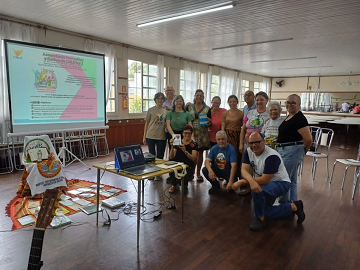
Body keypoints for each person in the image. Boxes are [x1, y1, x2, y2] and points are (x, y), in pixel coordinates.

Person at [232, 132, 305, 231]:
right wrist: (250, 181)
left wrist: (242, 182)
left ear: (264, 141)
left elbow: (265, 180)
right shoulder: (248, 151)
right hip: (266, 183)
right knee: (266, 211)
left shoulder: (272, 156)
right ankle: (294, 206)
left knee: (257, 189)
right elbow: (244, 170)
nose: (254, 145)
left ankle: (260, 219)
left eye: (257, 142)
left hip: (281, 183)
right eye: (251, 143)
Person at [277, 94, 312, 203]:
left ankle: (285, 205)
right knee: (292, 180)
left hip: (292, 151)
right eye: (288, 102)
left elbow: (308, 139)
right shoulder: (289, 116)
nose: (290, 105)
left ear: (299, 104)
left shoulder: (299, 118)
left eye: (293, 102)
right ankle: (293, 204)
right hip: (286, 150)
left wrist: (302, 151)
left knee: (284, 179)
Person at [187, 89, 211, 181]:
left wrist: (208, 121)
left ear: (203, 97)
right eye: (197, 95)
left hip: (202, 134)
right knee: (192, 153)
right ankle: (191, 173)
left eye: (201, 96)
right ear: (194, 96)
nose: (199, 97)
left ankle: (198, 173)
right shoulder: (189, 107)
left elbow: (210, 123)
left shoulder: (207, 108)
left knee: (200, 154)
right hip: (191, 134)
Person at [143, 92, 167, 180]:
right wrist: (144, 136)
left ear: (163, 100)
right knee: (151, 156)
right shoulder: (150, 110)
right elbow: (147, 123)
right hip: (150, 135)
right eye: (158, 99)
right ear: (155, 100)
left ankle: (158, 174)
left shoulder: (166, 111)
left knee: (160, 156)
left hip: (161, 136)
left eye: (161, 99)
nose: (160, 100)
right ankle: (152, 173)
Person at [168, 125, 198, 193]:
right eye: (185, 133)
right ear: (182, 133)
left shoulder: (194, 144)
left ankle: (184, 183)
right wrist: (172, 147)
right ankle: (173, 185)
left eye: (189, 133)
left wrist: (185, 151)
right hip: (177, 164)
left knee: (181, 182)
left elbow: (193, 158)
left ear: (191, 134)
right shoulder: (177, 141)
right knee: (170, 165)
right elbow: (171, 157)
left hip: (188, 165)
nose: (187, 135)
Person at [221, 95, 243, 176]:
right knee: (226, 155)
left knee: (236, 155)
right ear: (228, 103)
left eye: (234, 101)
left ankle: (235, 174)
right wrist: (223, 137)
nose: (232, 103)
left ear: (237, 102)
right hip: (227, 135)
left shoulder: (241, 113)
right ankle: (225, 174)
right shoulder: (225, 113)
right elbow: (223, 126)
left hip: (237, 136)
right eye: (230, 102)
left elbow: (243, 126)